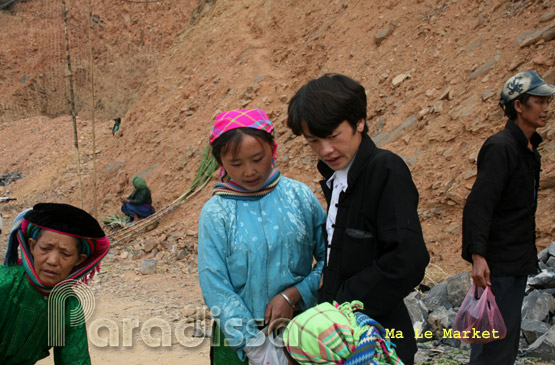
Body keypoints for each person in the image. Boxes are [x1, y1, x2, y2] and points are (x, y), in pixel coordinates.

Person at [286, 73, 430, 364]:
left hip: (376, 334)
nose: (325, 150)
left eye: (333, 136)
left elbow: (407, 259)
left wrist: (344, 306)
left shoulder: (385, 170)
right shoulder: (336, 177)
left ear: (360, 122)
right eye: (314, 140)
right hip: (339, 334)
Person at [198, 108, 326, 364]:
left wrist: (294, 294)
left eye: (257, 158)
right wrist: (253, 345)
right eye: (236, 164)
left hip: (301, 331)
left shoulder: (299, 197)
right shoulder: (216, 212)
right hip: (238, 343)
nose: (249, 171)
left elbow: (331, 259)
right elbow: (214, 282)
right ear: (221, 162)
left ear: (273, 149)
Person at [462, 70, 554, 364]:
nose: (546, 108)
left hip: (516, 259)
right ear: (518, 105)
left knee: (506, 341)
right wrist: (478, 256)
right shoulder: (501, 148)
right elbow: (479, 204)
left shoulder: (528, 150)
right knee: (492, 344)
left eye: (548, 102)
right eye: (539, 102)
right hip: (496, 266)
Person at [0, 202, 110, 364]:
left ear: (79, 260)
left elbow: (74, 359)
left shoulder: (67, 306)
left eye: (65, 254)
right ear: (32, 246)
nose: (52, 261)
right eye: (45, 248)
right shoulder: (5, 283)